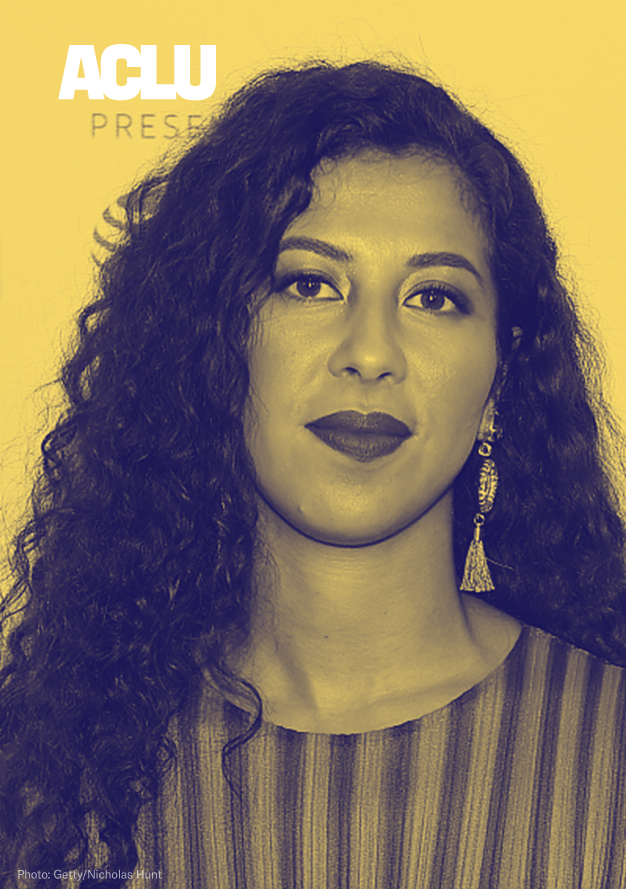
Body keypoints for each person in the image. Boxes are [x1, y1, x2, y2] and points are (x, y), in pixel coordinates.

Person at [2, 60, 626, 889]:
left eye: (434, 297)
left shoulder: (607, 747)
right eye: (310, 283)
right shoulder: (45, 775)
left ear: (501, 376)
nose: (370, 353)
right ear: (216, 345)